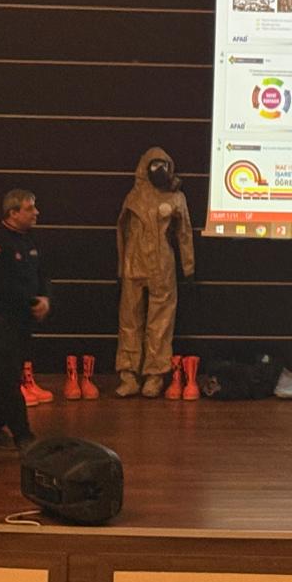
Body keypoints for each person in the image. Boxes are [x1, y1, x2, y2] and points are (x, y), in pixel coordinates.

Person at [116, 146, 196, 397]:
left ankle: (155, 374)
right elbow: (121, 232)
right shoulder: (133, 197)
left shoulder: (175, 197)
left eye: (163, 165)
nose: (158, 170)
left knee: (160, 324)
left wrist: (188, 266)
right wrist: (121, 266)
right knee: (129, 321)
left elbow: (184, 234)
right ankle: (128, 373)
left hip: (162, 266)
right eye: (154, 165)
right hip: (133, 264)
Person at [0, 188, 49, 450]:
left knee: (5, 378)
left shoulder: (30, 240)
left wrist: (45, 298)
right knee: (9, 380)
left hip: (21, 322)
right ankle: (23, 436)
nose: (36, 212)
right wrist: (31, 301)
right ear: (13, 213)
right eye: (30, 208)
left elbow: (42, 275)